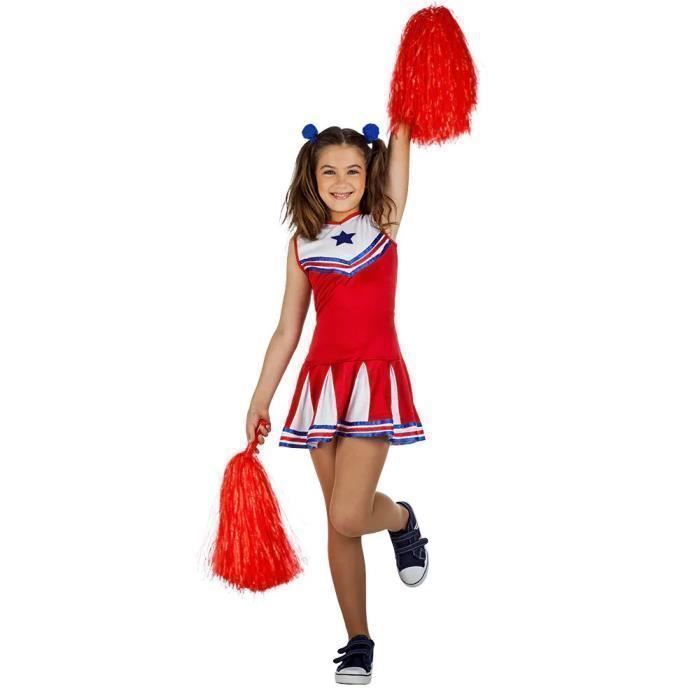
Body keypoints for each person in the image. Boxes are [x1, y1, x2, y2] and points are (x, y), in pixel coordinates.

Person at [246, 122, 429, 685]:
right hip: (322, 390)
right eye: (329, 170)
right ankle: (358, 640)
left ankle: (401, 519)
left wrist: (404, 113)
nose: (342, 181)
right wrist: (259, 398)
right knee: (338, 520)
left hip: (373, 383)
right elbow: (287, 329)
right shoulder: (302, 244)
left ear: (370, 174)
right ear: (312, 174)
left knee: (350, 512)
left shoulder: (383, 223)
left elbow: (402, 141)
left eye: (354, 170)